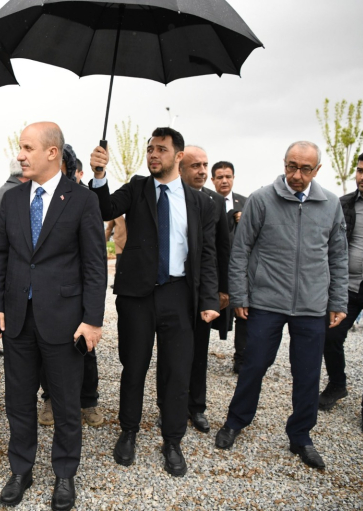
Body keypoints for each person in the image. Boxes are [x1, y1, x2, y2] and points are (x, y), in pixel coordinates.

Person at [0, 122, 107, 510]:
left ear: (52, 152)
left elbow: (95, 264)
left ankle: (65, 474)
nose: (20, 155)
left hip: (65, 320)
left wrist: (92, 319)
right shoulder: (12, 199)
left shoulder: (82, 200)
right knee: (18, 401)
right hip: (17, 319)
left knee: (67, 404)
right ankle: (20, 470)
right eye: (20, 148)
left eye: (27, 148)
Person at [89, 127, 219, 477]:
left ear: (179, 156)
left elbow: (207, 255)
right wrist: (99, 174)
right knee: (134, 367)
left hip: (179, 295)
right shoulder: (137, 188)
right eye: (150, 149)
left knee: (177, 371)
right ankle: (128, 431)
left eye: (161, 149)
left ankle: (172, 441)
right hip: (137, 297)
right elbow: (104, 207)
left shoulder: (199, 202)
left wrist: (209, 299)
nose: (153, 154)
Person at [216, 141, 348, 470]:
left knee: (308, 374)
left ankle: (301, 435)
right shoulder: (261, 199)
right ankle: (235, 421)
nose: (297, 175)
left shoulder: (331, 204)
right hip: (266, 302)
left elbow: (338, 256)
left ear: (317, 170)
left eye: (305, 169)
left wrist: (337, 300)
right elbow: (241, 250)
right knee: (253, 365)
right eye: (292, 166)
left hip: (312, 306)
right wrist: (240, 296)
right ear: (284, 163)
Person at [320, 149, 363, 435]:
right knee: (329, 336)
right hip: (345, 287)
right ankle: (337, 384)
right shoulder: (343, 204)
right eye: (360, 170)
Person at [165, 145, 229, 434]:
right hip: (173, 289)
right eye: (196, 166)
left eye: (205, 165)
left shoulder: (215, 201)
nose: (203, 171)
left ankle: (196, 407)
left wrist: (223, 290)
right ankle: (168, 408)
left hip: (203, 291)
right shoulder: (166, 197)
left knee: (199, 351)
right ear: (180, 168)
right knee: (171, 354)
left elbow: (222, 249)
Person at [37, 155, 104, 429]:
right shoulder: (37, 198)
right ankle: (50, 398)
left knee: (84, 351)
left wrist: (92, 313)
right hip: (48, 297)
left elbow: (95, 260)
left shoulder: (84, 199)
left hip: (77, 297)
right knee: (46, 352)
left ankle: (88, 401)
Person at [211, 161, 248, 373]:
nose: (224, 181)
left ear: (233, 178)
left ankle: (241, 358)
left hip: (239, 268)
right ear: (213, 180)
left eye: (228, 177)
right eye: (220, 177)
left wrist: (245, 221)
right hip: (213, 267)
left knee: (243, 312)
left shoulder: (246, 203)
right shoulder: (205, 200)